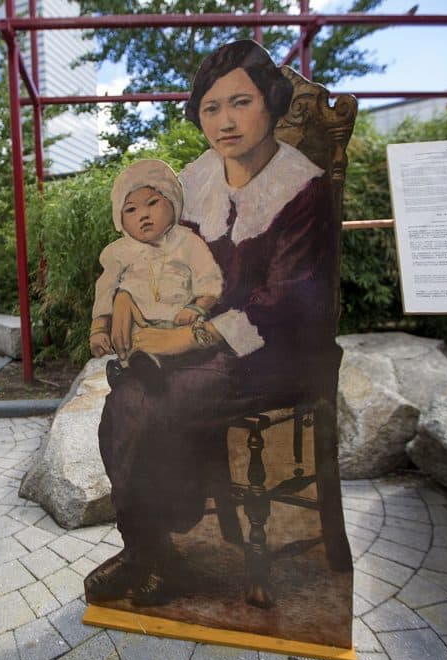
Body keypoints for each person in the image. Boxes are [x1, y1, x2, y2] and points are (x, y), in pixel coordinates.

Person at [86, 40, 343, 607]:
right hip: (203, 345)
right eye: (210, 108)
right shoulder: (195, 181)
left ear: (271, 105)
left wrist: (190, 337)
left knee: (148, 396)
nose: (224, 121)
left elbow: (288, 304)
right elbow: (158, 257)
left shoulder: (303, 187)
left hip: (275, 350)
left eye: (240, 103)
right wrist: (126, 298)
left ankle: (150, 551)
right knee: (127, 397)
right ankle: (148, 549)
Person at [89, 159, 223, 390]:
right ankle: (134, 369)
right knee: (133, 342)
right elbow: (105, 292)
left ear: (172, 202)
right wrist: (98, 330)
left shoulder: (188, 243)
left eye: (152, 203)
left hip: (179, 322)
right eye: (131, 209)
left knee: (185, 350)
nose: (143, 215)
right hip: (137, 327)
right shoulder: (119, 252)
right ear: (119, 218)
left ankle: (145, 371)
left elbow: (210, 281)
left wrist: (196, 307)